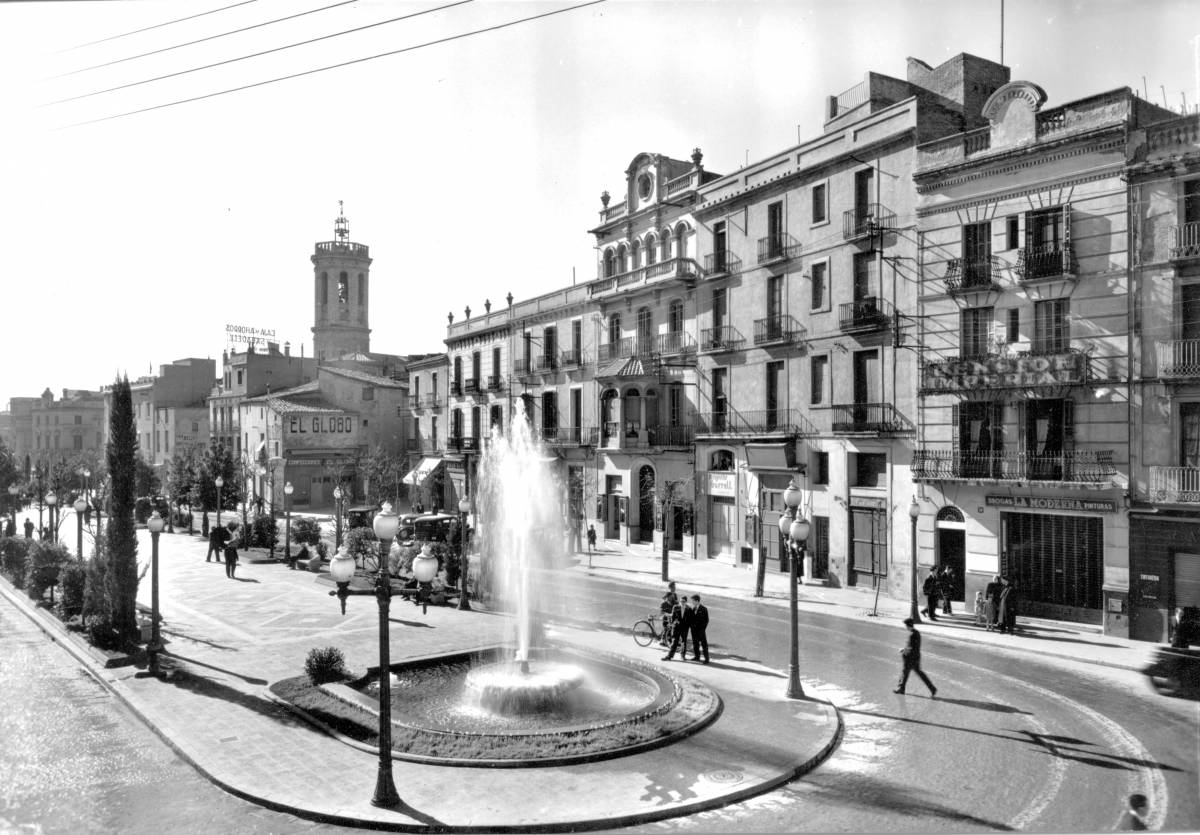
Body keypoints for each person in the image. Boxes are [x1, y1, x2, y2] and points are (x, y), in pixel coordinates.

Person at [894, 617, 937, 697]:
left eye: (906, 625)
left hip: (910, 657)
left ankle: (901, 688)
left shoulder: (912, 635)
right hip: (916, 656)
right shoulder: (917, 633)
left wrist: (903, 650)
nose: (905, 627)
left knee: (905, 672)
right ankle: (932, 688)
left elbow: (910, 647)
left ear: (908, 625)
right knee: (919, 673)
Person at [662, 593, 693, 661]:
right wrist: (674, 622)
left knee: (684, 642)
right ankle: (669, 656)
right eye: (681, 601)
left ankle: (683, 656)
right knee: (674, 642)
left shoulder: (689, 609)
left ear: (686, 602)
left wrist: (688, 625)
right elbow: (673, 617)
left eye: (683, 601)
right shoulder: (675, 607)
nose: (682, 602)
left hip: (684, 628)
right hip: (676, 627)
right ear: (679, 601)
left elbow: (691, 619)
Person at [688, 594, 710, 664]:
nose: (692, 602)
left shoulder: (704, 609)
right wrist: (691, 627)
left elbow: (706, 620)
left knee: (704, 645)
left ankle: (707, 659)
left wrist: (702, 629)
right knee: (695, 644)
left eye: (693, 601)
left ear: (697, 601)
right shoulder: (693, 608)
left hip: (701, 631)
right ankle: (697, 657)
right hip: (694, 630)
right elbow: (691, 619)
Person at [659, 581, 679, 647]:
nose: (674, 588)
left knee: (673, 626)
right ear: (670, 587)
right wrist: (666, 601)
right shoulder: (668, 593)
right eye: (673, 587)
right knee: (666, 626)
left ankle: (668, 639)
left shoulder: (675, 594)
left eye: (675, 587)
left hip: (671, 612)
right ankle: (663, 640)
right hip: (667, 612)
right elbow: (664, 600)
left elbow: (676, 603)